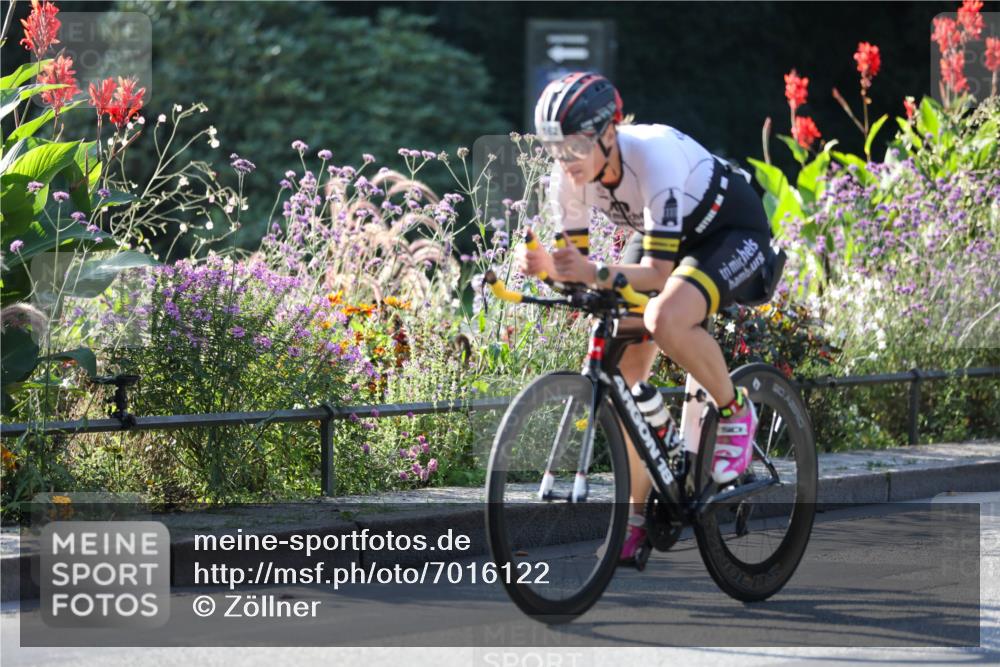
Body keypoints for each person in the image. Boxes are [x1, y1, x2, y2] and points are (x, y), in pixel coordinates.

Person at [518, 71, 774, 566]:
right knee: (622, 374)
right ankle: (639, 519)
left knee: (665, 318)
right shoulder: (566, 181)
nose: (563, 161)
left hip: (727, 229)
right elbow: (582, 275)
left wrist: (590, 271)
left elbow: (656, 273)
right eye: (554, 149)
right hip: (661, 234)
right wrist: (553, 271)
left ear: (608, 134)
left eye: (573, 147)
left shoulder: (650, 157)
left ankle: (735, 408)